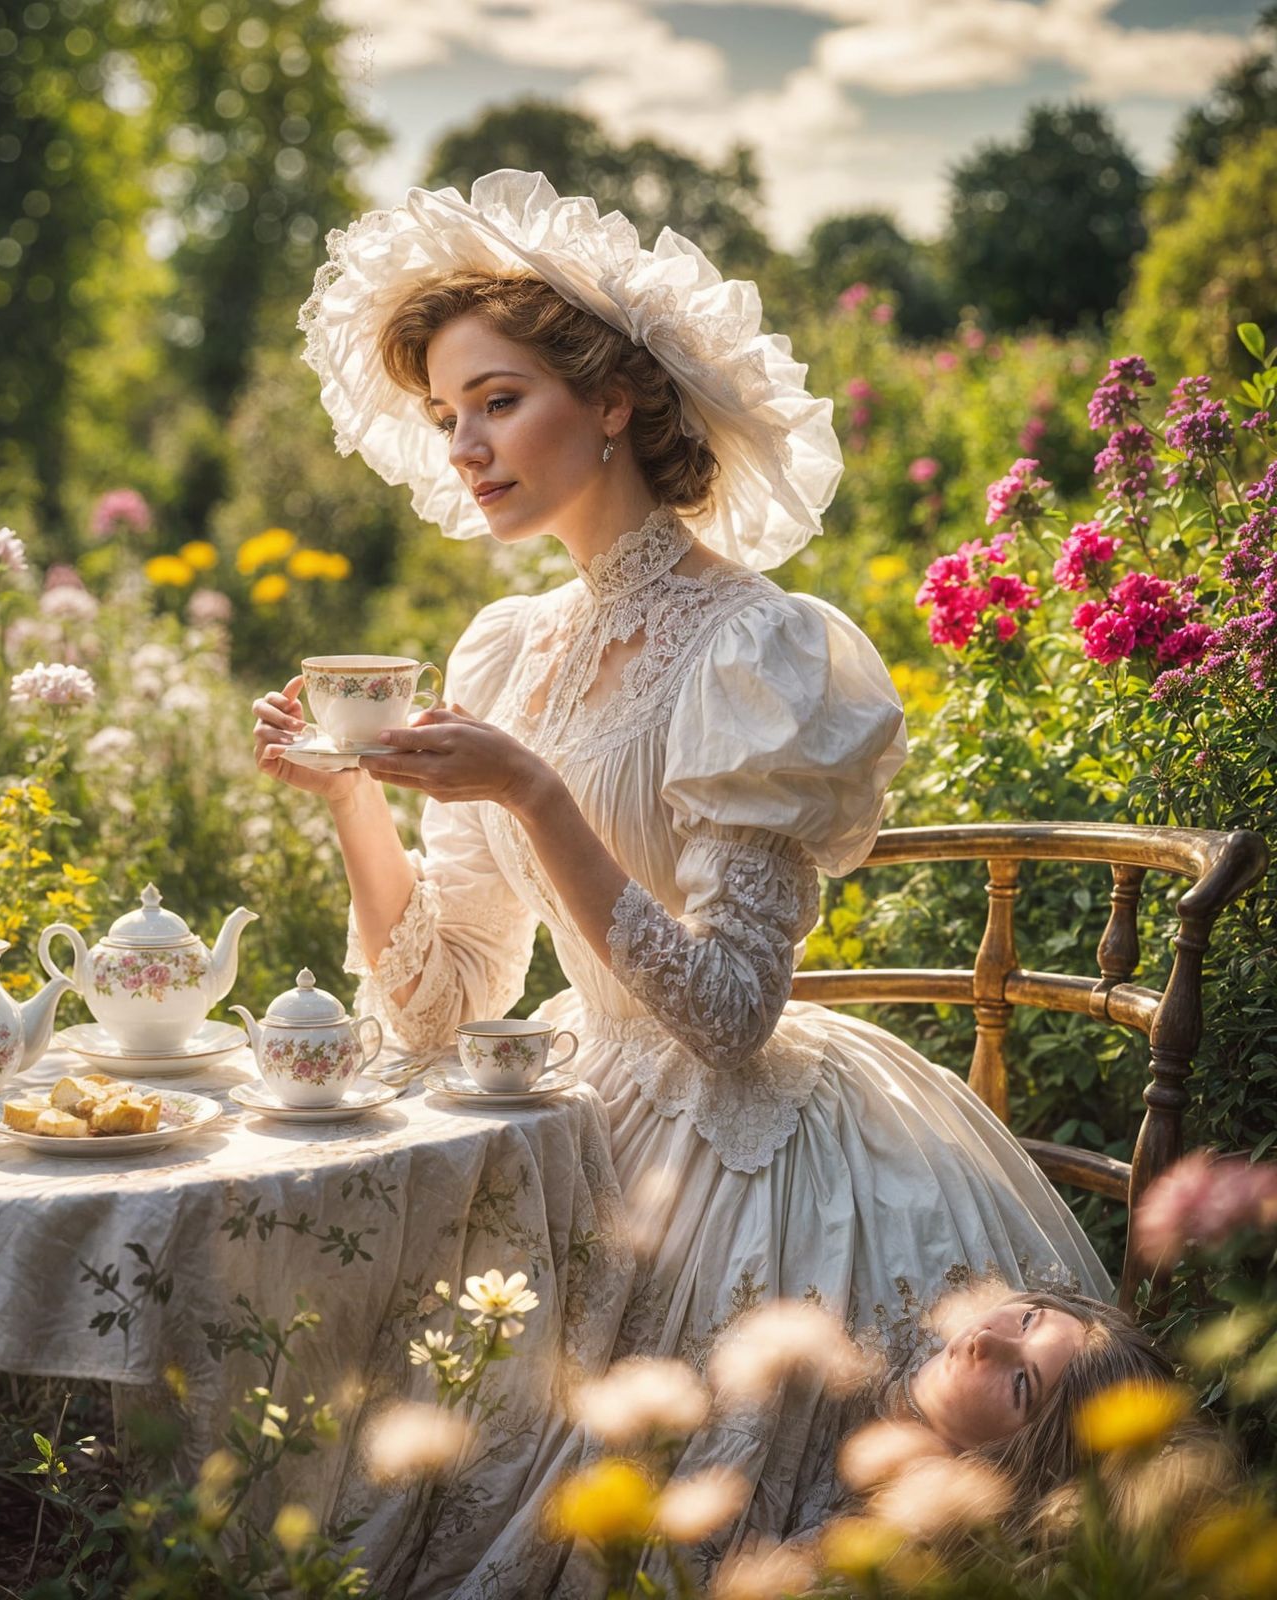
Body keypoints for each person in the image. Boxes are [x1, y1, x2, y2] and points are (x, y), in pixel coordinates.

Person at [255, 171, 1112, 1594]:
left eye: (499, 399)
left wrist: (532, 788)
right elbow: (439, 1004)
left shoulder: (753, 649)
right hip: (578, 1109)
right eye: (445, 415)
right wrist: (355, 799)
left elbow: (726, 1013)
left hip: (750, 1148)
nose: (467, 444)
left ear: (616, 403)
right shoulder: (503, 650)